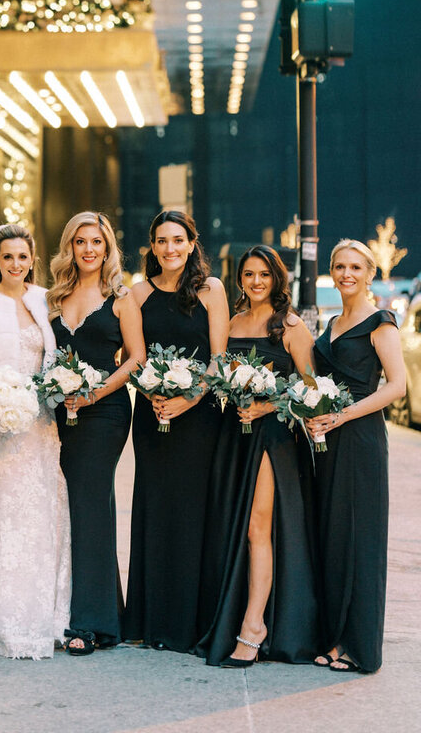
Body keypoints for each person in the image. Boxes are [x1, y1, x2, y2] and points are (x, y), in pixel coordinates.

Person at [196, 245, 319, 667]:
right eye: (249, 275)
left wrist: (267, 405)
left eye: (264, 274)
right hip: (235, 434)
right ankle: (236, 614)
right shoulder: (232, 323)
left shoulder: (290, 325)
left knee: (257, 527)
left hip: (272, 436)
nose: (256, 282)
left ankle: (253, 627)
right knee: (236, 525)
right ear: (240, 279)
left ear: (277, 279)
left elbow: (310, 388)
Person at [0, 224, 70, 659]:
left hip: (41, 426)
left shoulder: (46, 300)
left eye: (23, 257)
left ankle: (46, 610)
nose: (16, 264)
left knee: (41, 513)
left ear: (32, 259)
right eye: (8, 257)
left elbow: (55, 358)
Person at [124, 210, 229, 653]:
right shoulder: (137, 293)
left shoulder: (212, 290)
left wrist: (188, 399)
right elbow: (136, 358)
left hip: (200, 419)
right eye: (162, 241)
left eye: (178, 240)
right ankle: (153, 622)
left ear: (191, 244)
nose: (170, 249)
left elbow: (219, 360)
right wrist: (152, 393)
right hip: (153, 418)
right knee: (156, 511)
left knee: (194, 516)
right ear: (153, 247)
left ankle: (191, 624)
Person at [48, 211, 145, 655]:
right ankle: (90, 612)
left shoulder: (121, 298)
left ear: (108, 249)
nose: (89, 249)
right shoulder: (51, 297)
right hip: (54, 414)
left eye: (97, 243)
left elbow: (136, 358)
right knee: (65, 507)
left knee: (88, 504)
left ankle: (89, 623)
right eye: (81, 242)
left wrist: (94, 393)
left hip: (104, 415)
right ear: (70, 247)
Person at [308, 239, 406, 674]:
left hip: (361, 439)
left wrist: (342, 415)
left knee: (359, 541)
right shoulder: (331, 323)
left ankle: (358, 646)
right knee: (332, 537)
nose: (347, 274)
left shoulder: (380, 322)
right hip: (329, 443)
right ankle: (334, 638)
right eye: (339, 266)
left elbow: (396, 386)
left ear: (369, 273)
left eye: (355, 267)